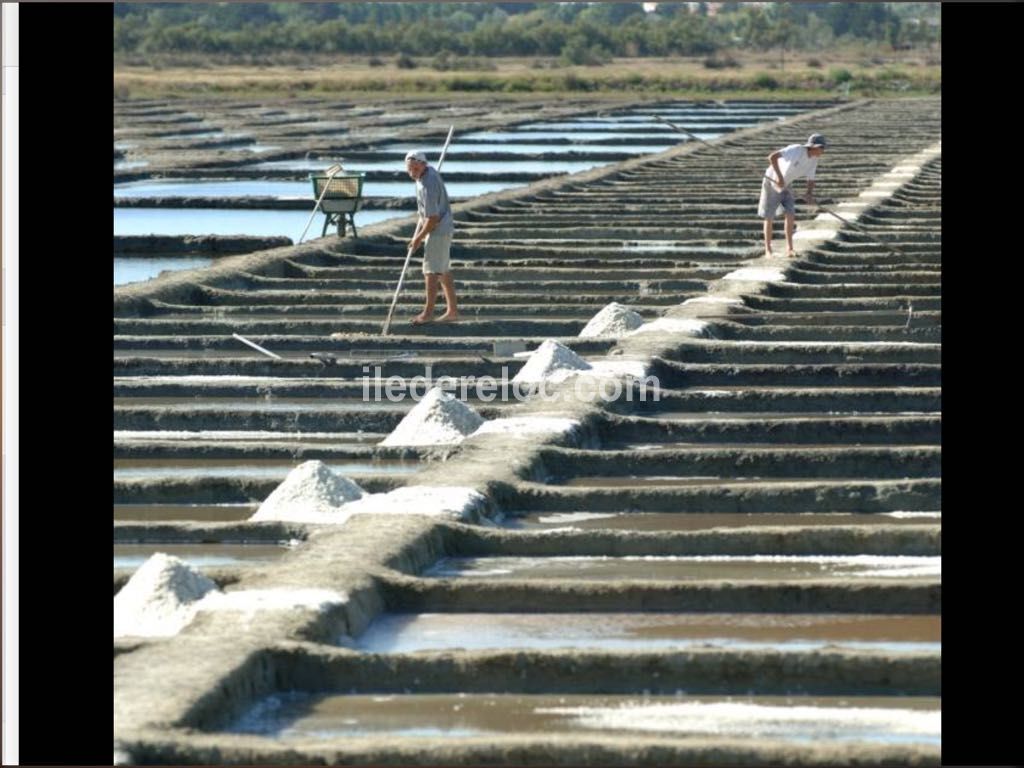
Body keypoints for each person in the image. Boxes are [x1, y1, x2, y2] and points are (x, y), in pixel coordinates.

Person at [404, 150, 459, 324]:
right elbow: (427, 215)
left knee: (431, 271)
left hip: (438, 229)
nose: (412, 171)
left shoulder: (428, 183)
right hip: (441, 227)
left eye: (415, 167)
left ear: (423, 165)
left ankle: (428, 313)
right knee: (443, 270)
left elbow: (432, 218)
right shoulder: (425, 175)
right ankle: (452, 311)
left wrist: (418, 238)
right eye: (409, 168)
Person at [758, 133, 829, 257]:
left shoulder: (814, 159)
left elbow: (811, 179)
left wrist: (809, 194)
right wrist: (779, 178)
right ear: (813, 147)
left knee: (790, 214)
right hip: (772, 180)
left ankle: (790, 248)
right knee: (769, 216)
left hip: (787, 184)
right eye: (821, 148)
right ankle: (768, 250)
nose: (822, 151)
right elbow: (772, 157)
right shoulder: (795, 150)